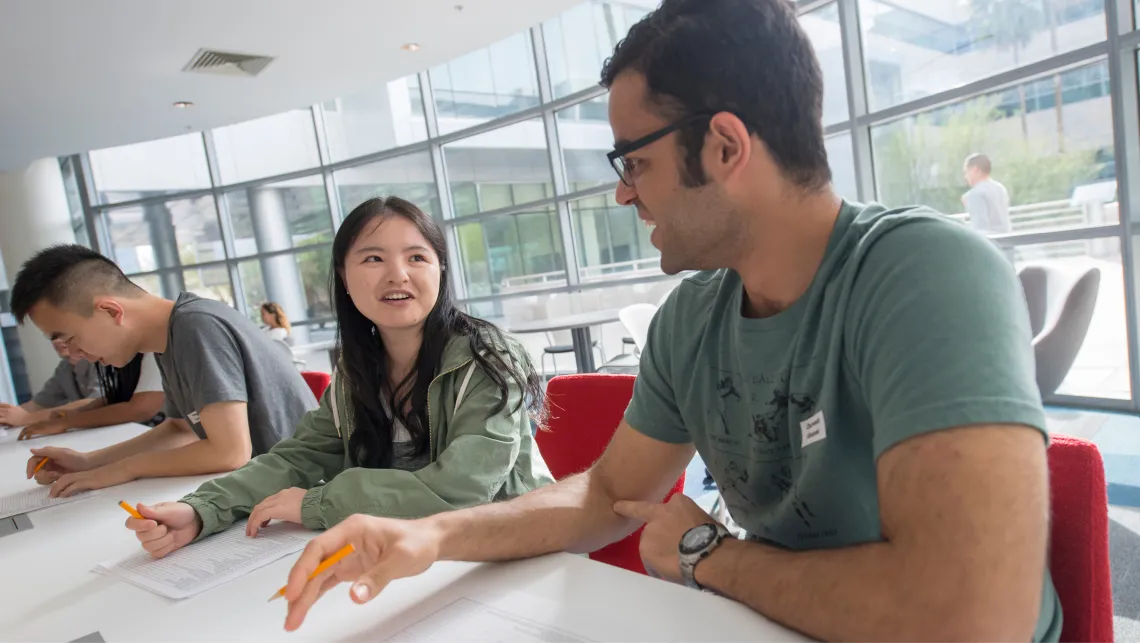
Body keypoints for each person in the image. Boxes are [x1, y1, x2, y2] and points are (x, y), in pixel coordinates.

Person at [276, 1, 1060, 641]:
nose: (624, 193)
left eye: (634, 161)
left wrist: (710, 556)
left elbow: (969, 619)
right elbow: (606, 494)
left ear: (723, 146)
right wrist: (432, 536)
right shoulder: (692, 318)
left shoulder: (923, 274)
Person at [123, 197, 553, 557]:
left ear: (440, 270)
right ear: (345, 279)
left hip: (504, 553)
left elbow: (462, 490)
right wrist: (201, 510)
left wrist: (318, 503)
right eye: (372, 258)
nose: (397, 274)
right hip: (404, 554)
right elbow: (300, 457)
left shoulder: (486, 357)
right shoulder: (358, 367)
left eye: (417, 257)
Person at [11, 245, 318, 498]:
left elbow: (229, 452)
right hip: (275, 490)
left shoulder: (196, 326)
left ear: (109, 311)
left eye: (70, 339)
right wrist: (87, 461)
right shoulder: (169, 339)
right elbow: (180, 430)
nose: (75, 355)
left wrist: (120, 470)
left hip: (309, 493)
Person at [18, 351, 166, 440]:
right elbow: (115, 398)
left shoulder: (153, 350)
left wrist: (68, 421)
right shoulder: (65, 367)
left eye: (69, 337)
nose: (72, 350)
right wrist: (71, 416)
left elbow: (140, 408)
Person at [0, 337, 100, 428]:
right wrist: (6, 415)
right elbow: (39, 404)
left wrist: (27, 418)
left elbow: (96, 402)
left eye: (62, 334)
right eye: (53, 337)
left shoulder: (102, 360)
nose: (57, 341)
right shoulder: (64, 368)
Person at [962, 153, 1012, 235]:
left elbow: (979, 229)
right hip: (1007, 241)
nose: (966, 177)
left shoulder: (976, 194)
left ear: (975, 169)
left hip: (991, 243)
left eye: (966, 172)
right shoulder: (1000, 188)